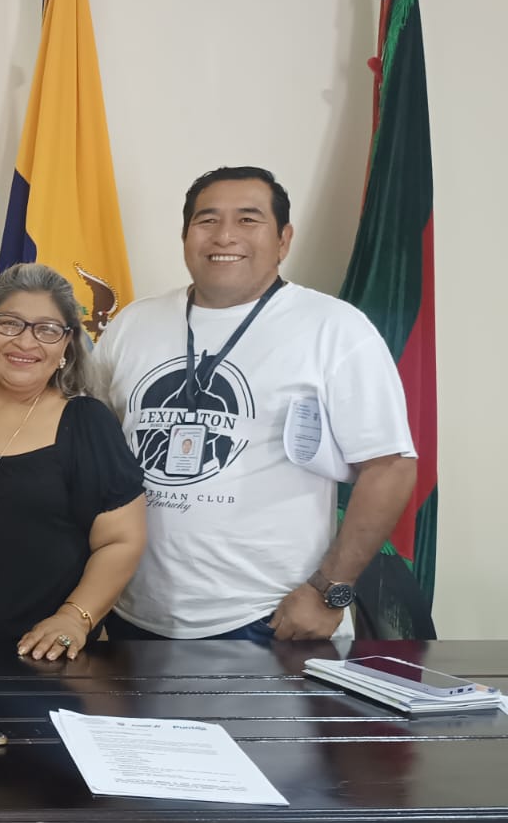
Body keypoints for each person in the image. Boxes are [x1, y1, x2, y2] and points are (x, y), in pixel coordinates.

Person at [94, 166, 417, 642]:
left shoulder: (334, 328)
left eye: (248, 219)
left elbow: (390, 467)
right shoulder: (132, 324)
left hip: (270, 619)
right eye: (207, 220)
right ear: (185, 235)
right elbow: (91, 444)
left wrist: (329, 590)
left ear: (283, 240)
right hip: (130, 613)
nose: (224, 235)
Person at [0, 263, 146, 661]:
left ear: (67, 345)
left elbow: (121, 540)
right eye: (9, 323)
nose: (26, 341)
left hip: (43, 656)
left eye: (47, 329)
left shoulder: (87, 423)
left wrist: (74, 618)